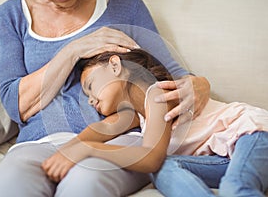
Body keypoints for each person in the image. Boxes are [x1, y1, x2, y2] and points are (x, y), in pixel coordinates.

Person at [0, 0, 210, 196]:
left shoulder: (125, 4)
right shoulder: (11, 14)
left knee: (84, 183)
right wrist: (73, 51)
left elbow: (169, 73)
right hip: (38, 142)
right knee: (12, 185)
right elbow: (15, 105)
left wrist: (199, 83)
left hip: (118, 138)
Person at [42, 49, 268, 196]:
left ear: (115, 66)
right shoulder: (138, 115)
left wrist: (87, 150)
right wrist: (63, 154)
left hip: (252, 134)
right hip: (225, 156)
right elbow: (99, 130)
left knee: (235, 186)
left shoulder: (160, 93)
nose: (91, 100)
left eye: (90, 86)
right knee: (166, 168)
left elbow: (150, 157)